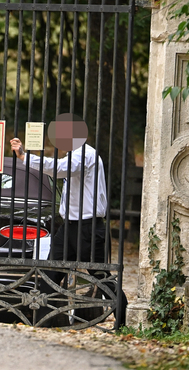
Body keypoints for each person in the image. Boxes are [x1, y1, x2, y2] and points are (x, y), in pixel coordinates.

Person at [10, 137, 127, 324]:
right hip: (69, 227)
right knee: (52, 272)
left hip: (88, 227)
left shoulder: (84, 154)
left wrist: (25, 157)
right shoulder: (74, 154)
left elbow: (61, 169)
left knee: (99, 276)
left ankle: (122, 316)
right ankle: (41, 321)